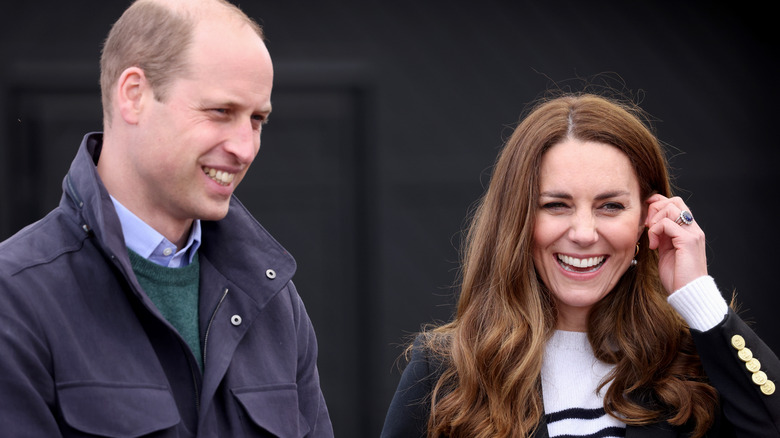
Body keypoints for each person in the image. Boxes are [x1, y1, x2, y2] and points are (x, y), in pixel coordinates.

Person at [0, 0, 333, 436]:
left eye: (257, 120)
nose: (245, 148)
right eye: (220, 112)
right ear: (134, 95)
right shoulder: (16, 299)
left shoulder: (274, 302)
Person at [381, 93, 780, 437]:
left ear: (647, 216)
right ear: (516, 219)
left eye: (611, 206)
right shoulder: (448, 372)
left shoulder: (694, 364)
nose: (585, 233)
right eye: (556, 205)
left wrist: (698, 297)